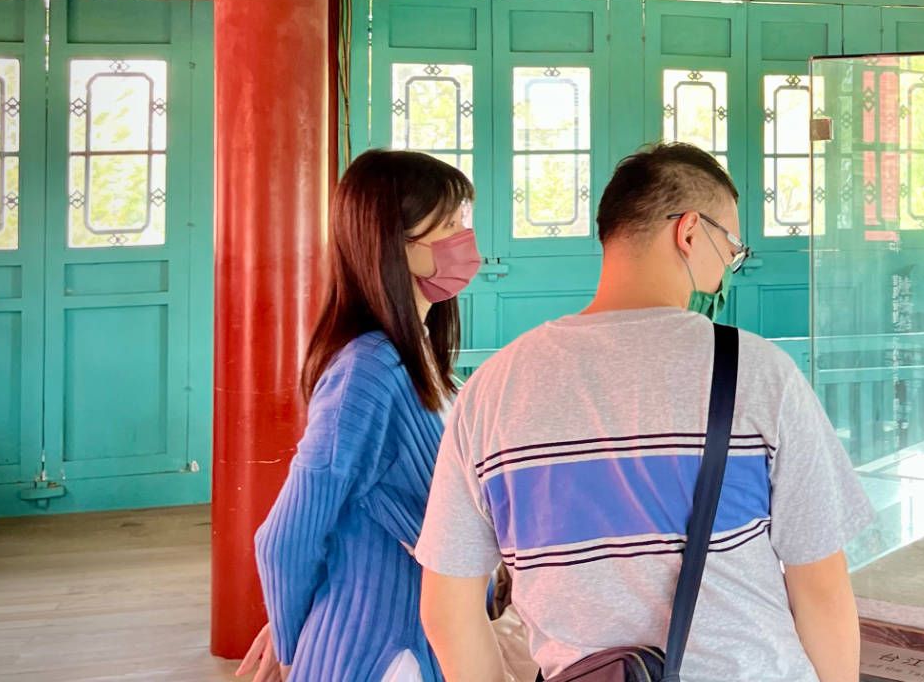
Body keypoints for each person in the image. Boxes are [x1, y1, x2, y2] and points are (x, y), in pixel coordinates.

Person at [417, 142, 873, 682]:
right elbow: (820, 590)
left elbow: (447, 608)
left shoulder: (492, 391)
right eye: (730, 246)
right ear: (688, 232)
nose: (729, 267)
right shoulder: (759, 374)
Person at [238, 149, 481, 682]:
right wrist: (291, 643)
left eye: (464, 221)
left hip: (422, 641)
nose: (466, 240)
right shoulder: (367, 372)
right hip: (383, 652)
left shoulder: (419, 356)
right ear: (395, 245)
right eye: (449, 225)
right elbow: (285, 537)